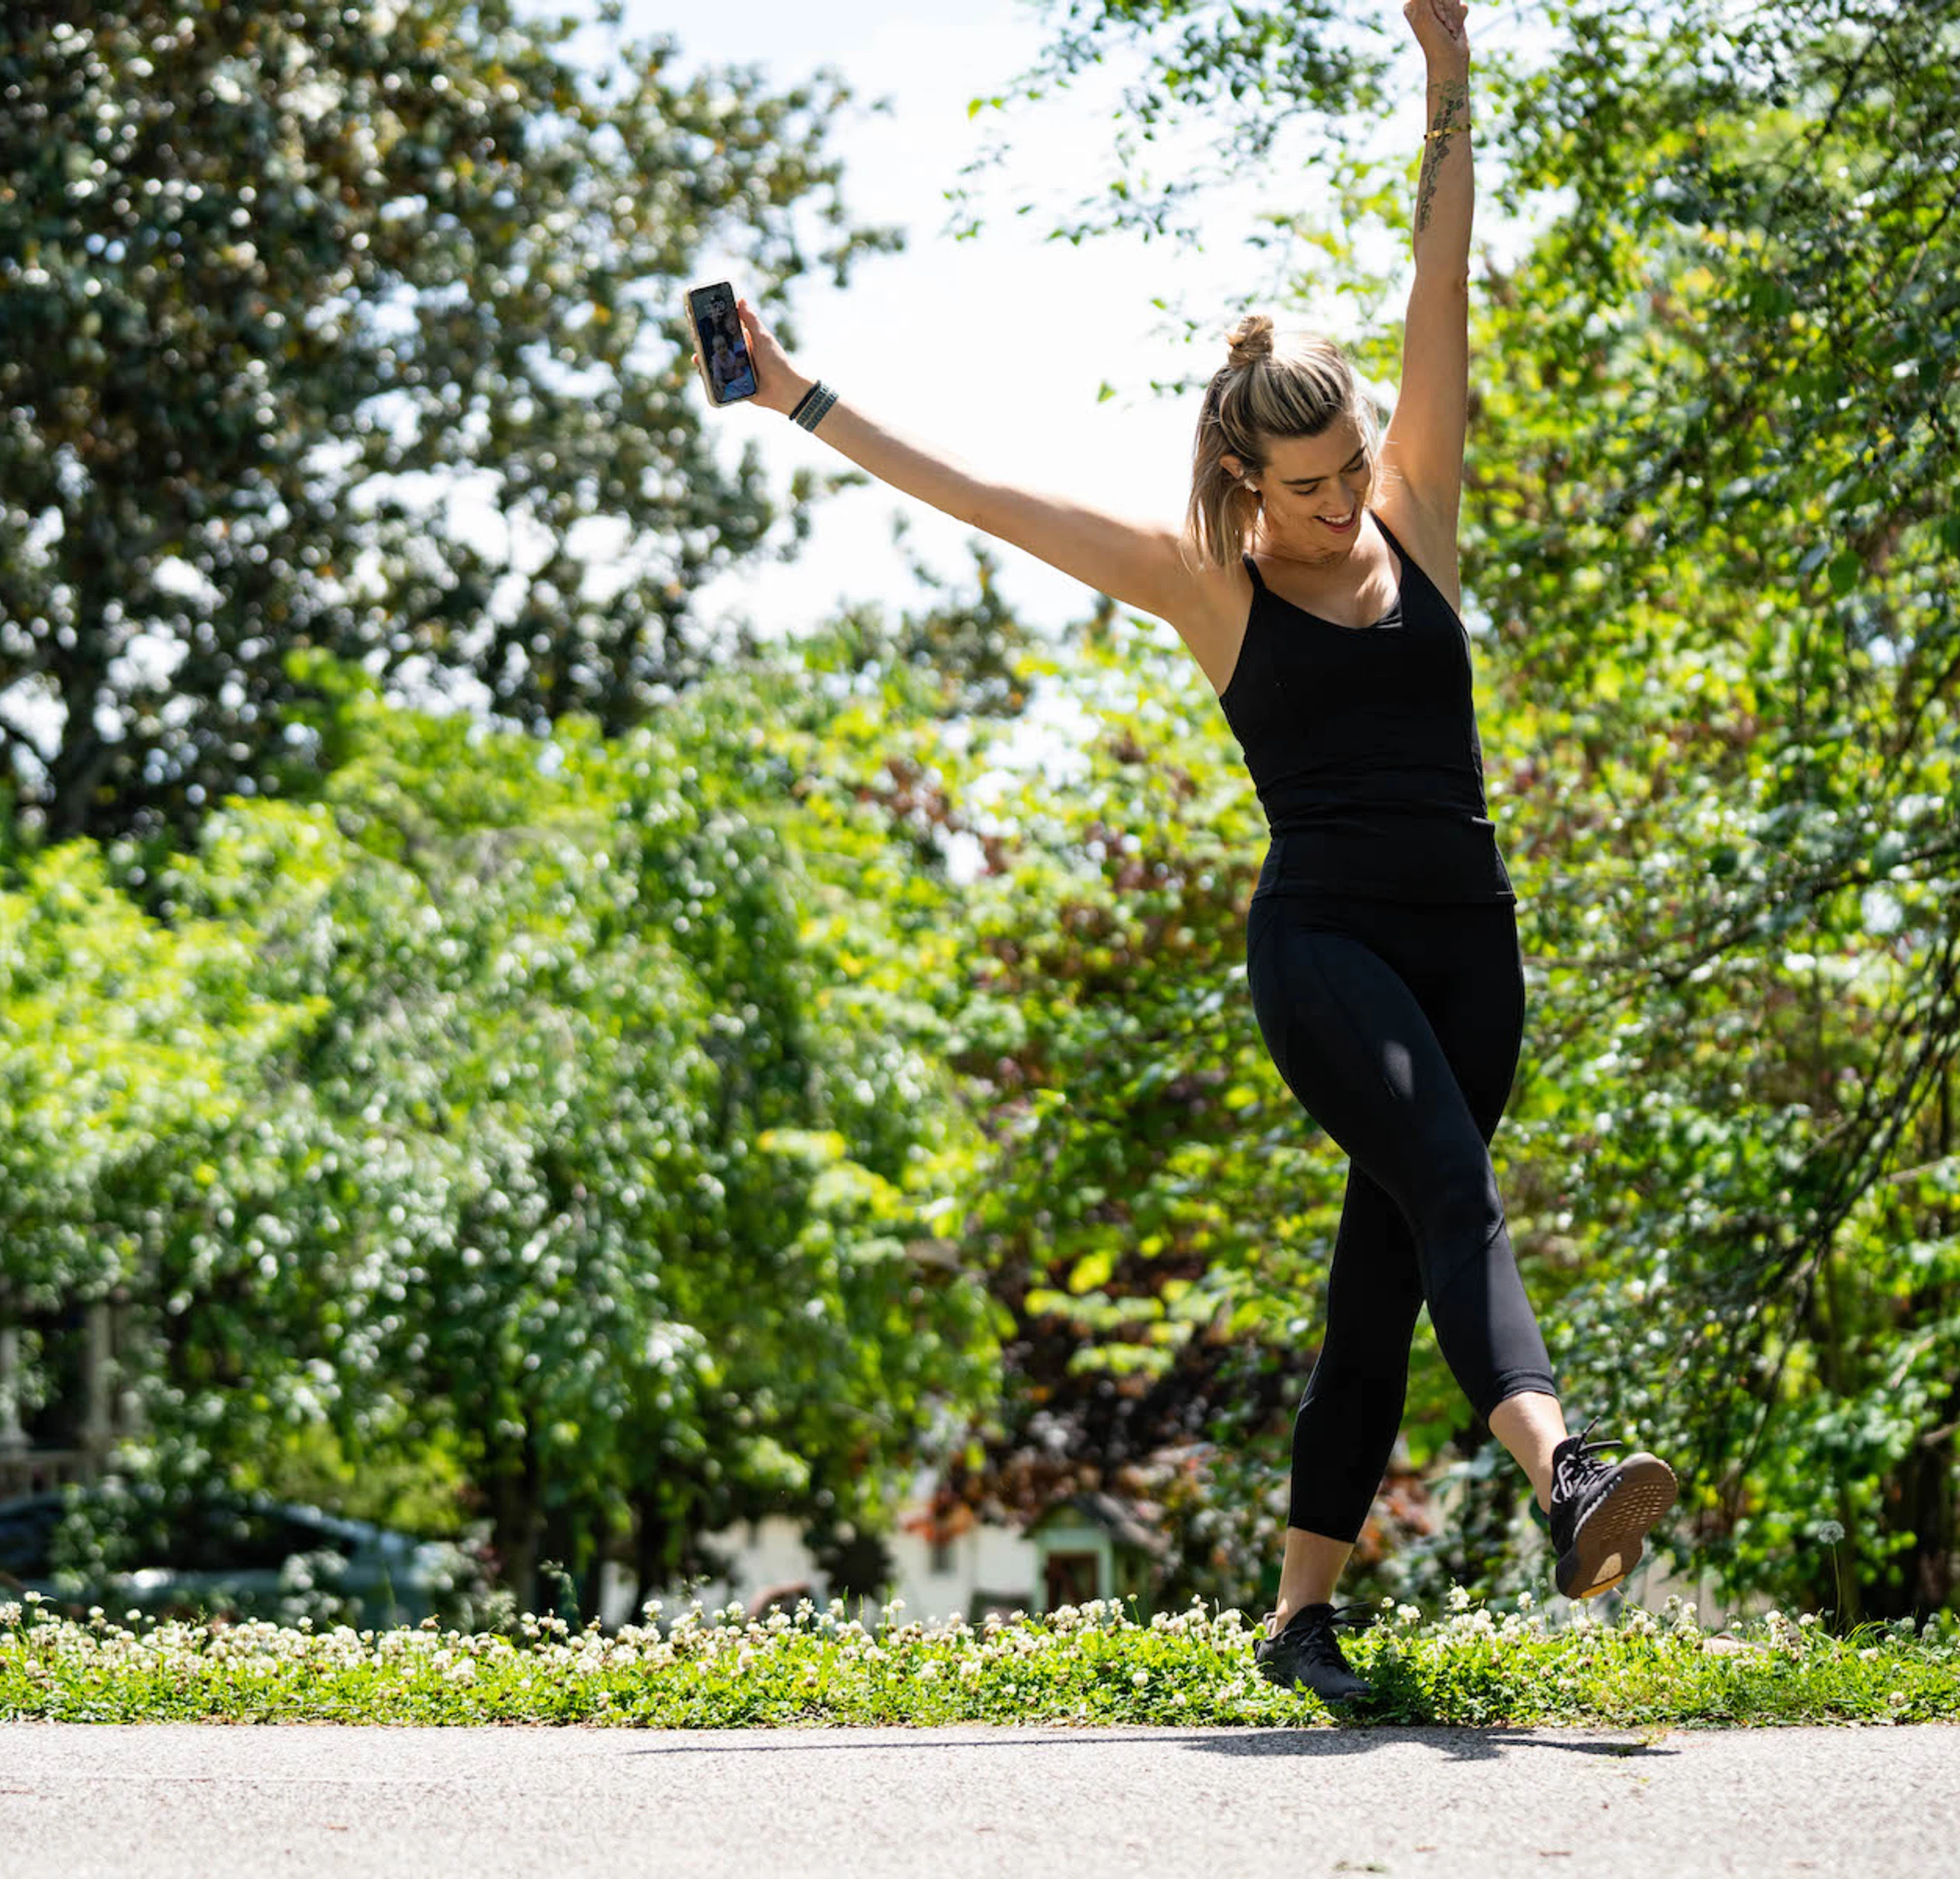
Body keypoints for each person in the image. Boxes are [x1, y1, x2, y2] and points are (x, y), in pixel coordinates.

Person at [686, 0, 1675, 1714]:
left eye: (1356, 463)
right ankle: (1566, 1465)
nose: (1344, 498)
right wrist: (797, 395)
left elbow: (1440, 278)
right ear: (1241, 477)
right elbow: (987, 494)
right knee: (1452, 1188)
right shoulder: (1206, 582)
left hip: (1472, 946)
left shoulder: (1414, 516)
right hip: (1326, 950)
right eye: (1308, 484)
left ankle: (1302, 1617)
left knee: (1388, 1273)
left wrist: (1449, 76)